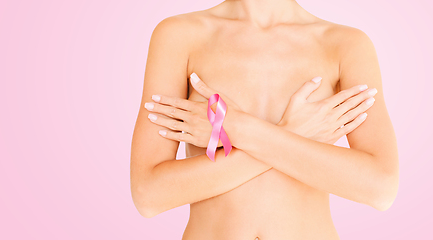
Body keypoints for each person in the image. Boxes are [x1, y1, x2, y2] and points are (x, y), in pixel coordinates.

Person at [130, 0, 399, 239]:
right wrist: (292, 133)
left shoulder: (346, 44)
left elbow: (380, 188)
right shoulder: (179, 35)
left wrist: (238, 129)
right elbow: (148, 195)